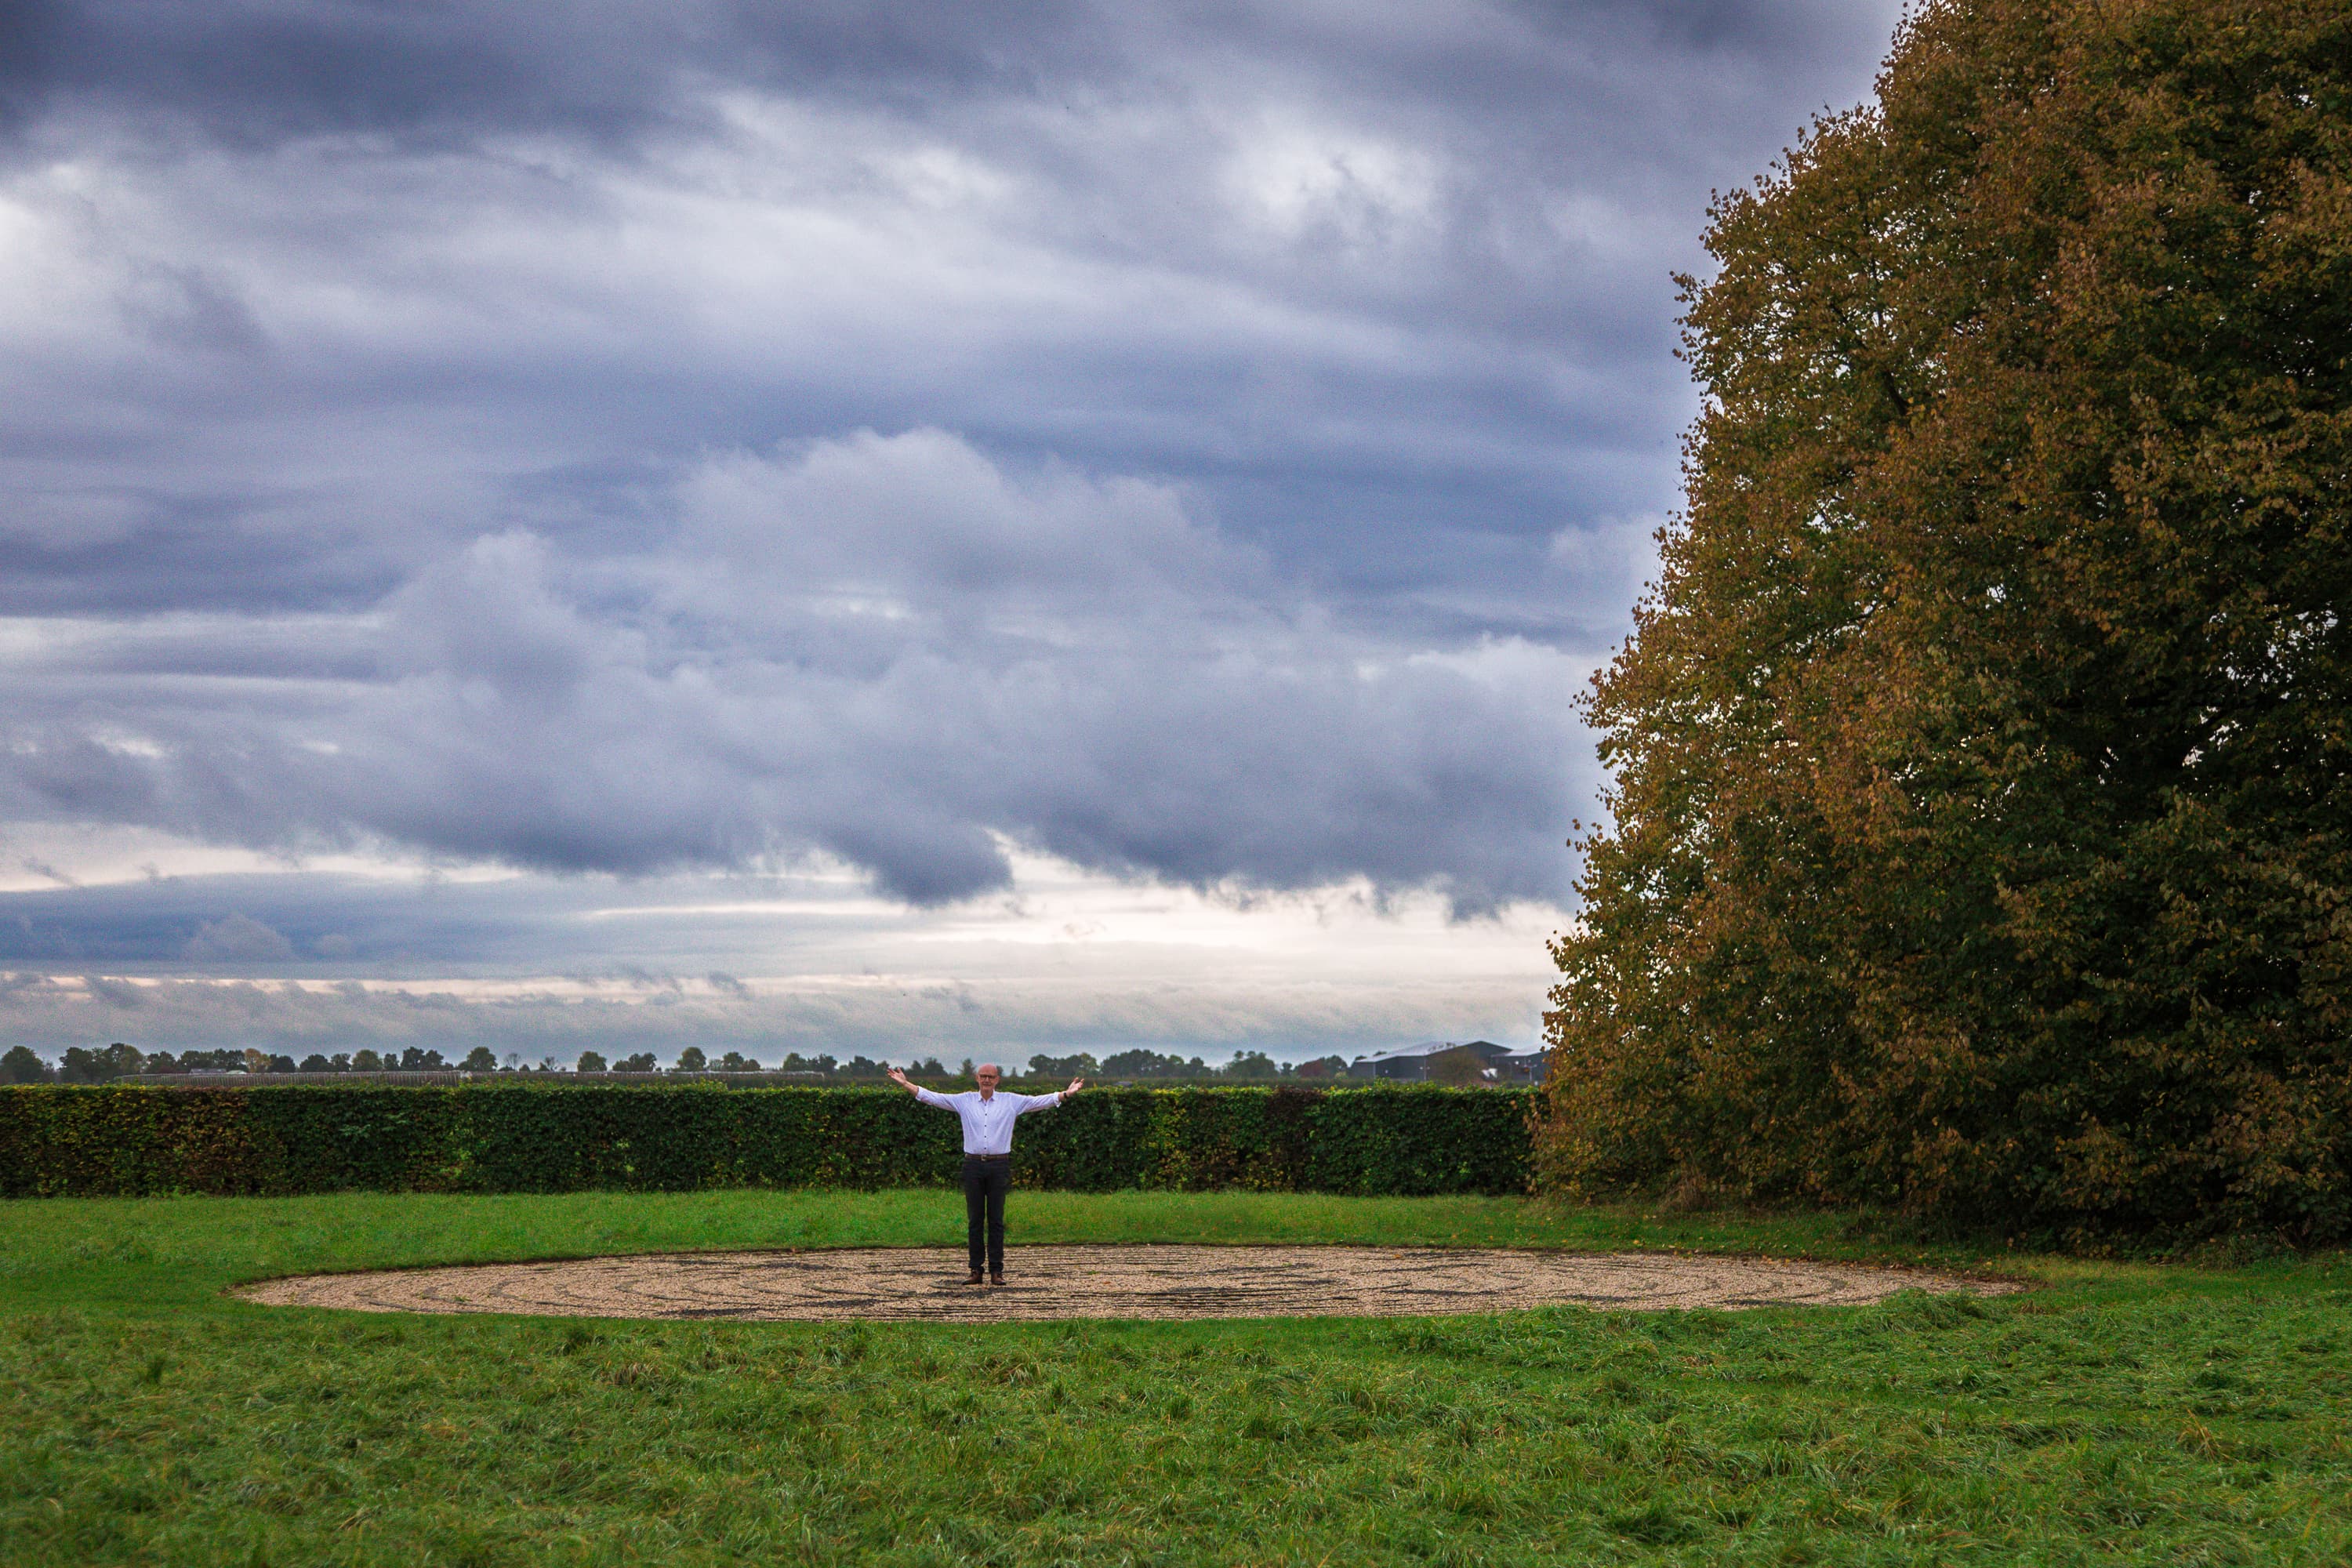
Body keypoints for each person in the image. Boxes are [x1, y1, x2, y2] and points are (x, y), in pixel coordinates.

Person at [887, 1062, 1083, 1285]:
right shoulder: (964, 1101)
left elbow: (1039, 1101)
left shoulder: (1011, 1101)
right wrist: (905, 1084)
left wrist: (1066, 1094)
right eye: (983, 1076)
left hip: (999, 1166)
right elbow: (933, 1097)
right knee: (975, 1220)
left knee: (997, 1220)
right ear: (977, 1078)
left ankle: (997, 1271)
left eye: (991, 1076)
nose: (987, 1080)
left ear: (997, 1079)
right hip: (973, 1166)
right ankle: (975, 1270)